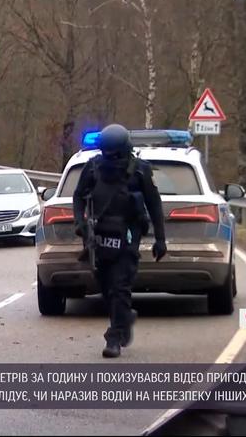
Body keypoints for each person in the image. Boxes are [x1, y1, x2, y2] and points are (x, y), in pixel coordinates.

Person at [73, 124, 167, 358]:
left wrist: (160, 239)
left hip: (127, 234)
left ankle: (114, 337)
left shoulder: (139, 171)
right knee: (105, 285)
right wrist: (80, 223)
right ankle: (124, 317)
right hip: (99, 234)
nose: (110, 158)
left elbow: (154, 204)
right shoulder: (93, 167)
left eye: (114, 154)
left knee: (119, 286)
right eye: (107, 153)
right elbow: (78, 196)